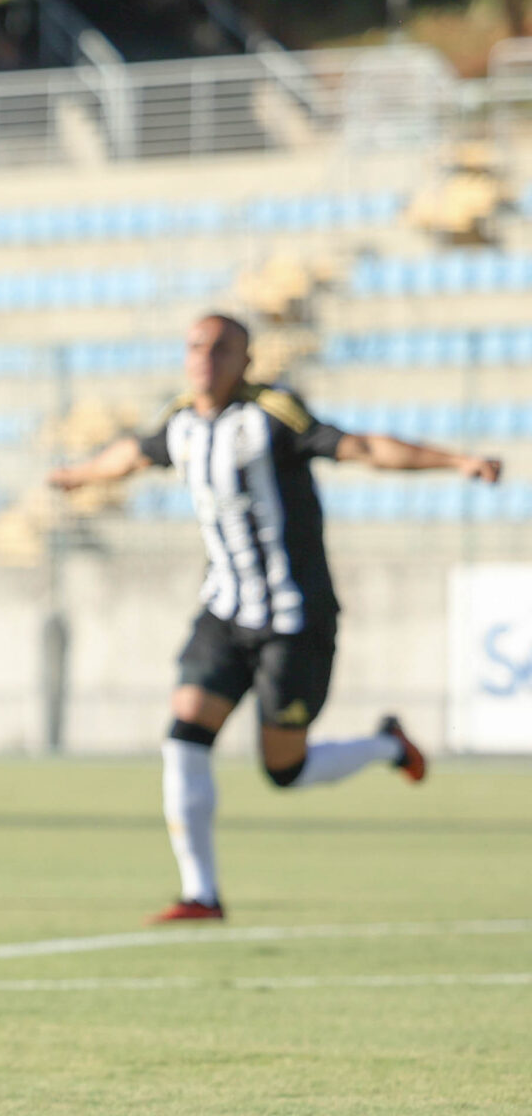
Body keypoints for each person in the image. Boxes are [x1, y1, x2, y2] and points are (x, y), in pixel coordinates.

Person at [48, 313, 501, 923]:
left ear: (246, 360)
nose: (205, 357)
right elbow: (132, 454)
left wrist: (456, 461)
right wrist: (77, 475)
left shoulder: (274, 414)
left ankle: (386, 746)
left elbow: (364, 447)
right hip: (224, 611)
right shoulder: (181, 422)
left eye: (221, 348)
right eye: (196, 346)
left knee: (285, 769)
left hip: (295, 618)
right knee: (184, 733)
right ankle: (201, 894)